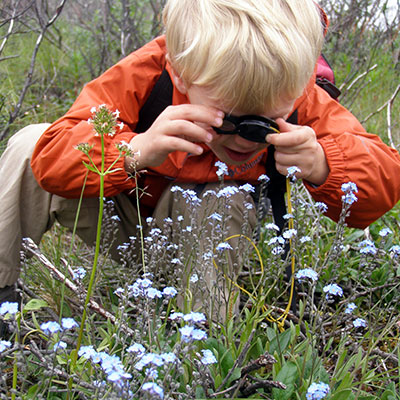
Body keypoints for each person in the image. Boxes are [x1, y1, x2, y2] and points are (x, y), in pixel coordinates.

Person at [1, 0, 400, 325]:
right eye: (228, 119)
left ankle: (201, 336)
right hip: (130, 226)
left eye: (263, 123)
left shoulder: (303, 97)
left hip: (220, 250)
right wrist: (134, 149)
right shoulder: (150, 73)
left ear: (297, 88)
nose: (245, 138)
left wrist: (323, 163)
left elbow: (383, 179)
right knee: (29, 143)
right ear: (181, 74)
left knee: (222, 195)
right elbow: (53, 154)